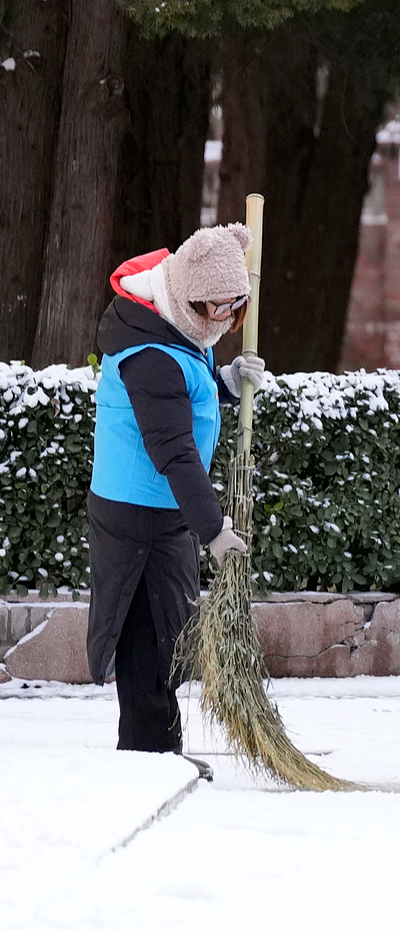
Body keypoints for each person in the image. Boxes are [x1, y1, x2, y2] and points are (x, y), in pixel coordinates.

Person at [88, 225, 273, 755]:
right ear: (189, 298)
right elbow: (173, 448)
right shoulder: (150, 352)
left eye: (237, 307)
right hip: (137, 515)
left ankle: (160, 749)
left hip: (162, 509)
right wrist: (213, 528)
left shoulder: (174, 323)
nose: (228, 320)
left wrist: (226, 382)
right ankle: (148, 758)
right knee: (148, 640)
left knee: (170, 634)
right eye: (219, 308)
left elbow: (187, 388)